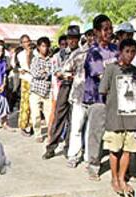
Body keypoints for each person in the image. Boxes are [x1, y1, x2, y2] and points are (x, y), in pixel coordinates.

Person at [99, 38, 136, 197]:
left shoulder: (135, 71)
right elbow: (103, 90)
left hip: (131, 116)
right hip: (115, 116)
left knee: (128, 150)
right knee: (114, 149)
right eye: (127, 51)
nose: (130, 55)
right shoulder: (111, 69)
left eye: (133, 52)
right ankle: (114, 178)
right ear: (120, 52)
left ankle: (122, 178)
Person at [83, 14, 118, 180]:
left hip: (116, 99)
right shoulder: (93, 53)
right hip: (98, 99)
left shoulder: (115, 50)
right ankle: (93, 165)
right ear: (96, 32)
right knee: (96, 133)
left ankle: (118, 169)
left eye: (111, 28)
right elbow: (101, 76)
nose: (109, 32)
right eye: (105, 29)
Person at [42, 25, 82, 159]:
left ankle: (68, 147)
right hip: (64, 86)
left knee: (73, 119)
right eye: (70, 38)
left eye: (75, 38)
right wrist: (63, 75)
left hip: (77, 87)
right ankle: (51, 147)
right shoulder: (60, 54)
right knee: (59, 117)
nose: (72, 41)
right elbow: (55, 71)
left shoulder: (82, 53)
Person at [63, 24, 94, 168]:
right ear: (85, 37)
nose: (92, 38)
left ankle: (89, 158)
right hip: (79, 95)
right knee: (76, 128)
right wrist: (73, 77)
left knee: (91, 130)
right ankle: (74, 155)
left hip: (96, 97)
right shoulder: (78, 53)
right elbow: (64, 70)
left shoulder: (106, 53)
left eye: (94, 34)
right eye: (89, 35)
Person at [29, 37, 53, 143]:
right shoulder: (35, 59)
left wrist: (45, 72)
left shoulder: (51, 60)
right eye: (43, 46)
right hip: (36, 91)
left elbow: (53, 72)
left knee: (49, 115)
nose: (45, 48)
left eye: (47, 46)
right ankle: (38, 133)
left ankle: (50, 134)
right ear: (38, 47)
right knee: (35, 115)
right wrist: (46, 73)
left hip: (47, 91)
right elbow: (35, 73)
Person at [17, 34, 34, 136]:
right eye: (24, 42)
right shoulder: (20, 55)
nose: (27, 43)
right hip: (26, 79)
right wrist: (28, 54)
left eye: (28, 41)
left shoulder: (36, 53)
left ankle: (32, 125)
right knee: (25, 104)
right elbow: (27, 66)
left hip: (35, 80)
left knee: (34, 105)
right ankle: (23, 125)